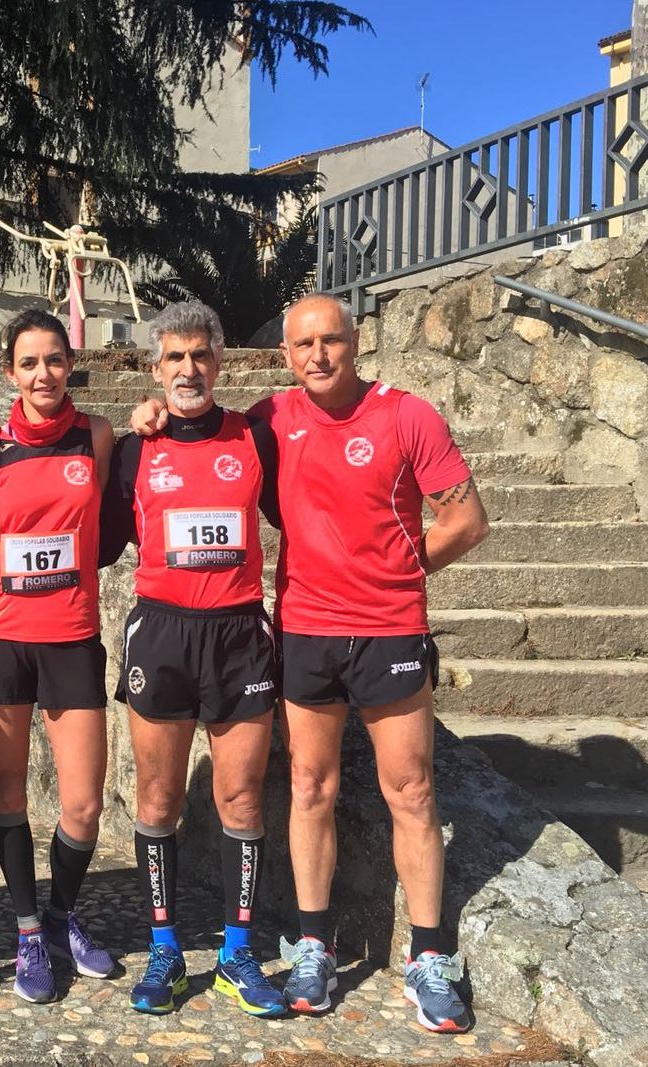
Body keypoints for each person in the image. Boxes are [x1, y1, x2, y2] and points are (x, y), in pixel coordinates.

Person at [255, 294, 487, 1034]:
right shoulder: (271, 418)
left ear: (356, 344)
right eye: (303, 345)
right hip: (304, 630)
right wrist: (152, 420)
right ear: (287, 354)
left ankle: (429, 955)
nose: (318, 355)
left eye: (331, 340)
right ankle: (314, 945)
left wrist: (406, 569)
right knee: (308, 785)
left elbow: (466, 518)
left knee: (412, 790)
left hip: (389, 631)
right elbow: (205, 444)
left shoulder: (405, 414)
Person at [100, 301, 286, 1018]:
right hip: (164, 635)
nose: (187, 369)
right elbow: (97, 535)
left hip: (240, 634)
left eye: (200, 356)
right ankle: (166, 948)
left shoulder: (256, 436)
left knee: (240, 798)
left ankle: (239, 952)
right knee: (158, 799)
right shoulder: (134, 448)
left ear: (220, 362)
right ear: (155, 368)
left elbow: (306, 511)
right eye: (173, 358)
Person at [0, 310, 116, 1004]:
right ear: (8, 372)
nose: (44, 373)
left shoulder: (99, 436)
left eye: (55, 359)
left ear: (70, 362)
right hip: (2, 635)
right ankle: (27, 932)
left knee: (82, 803)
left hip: (73, 635)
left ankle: (59, 918)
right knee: (11, 791)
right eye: (29, 363)